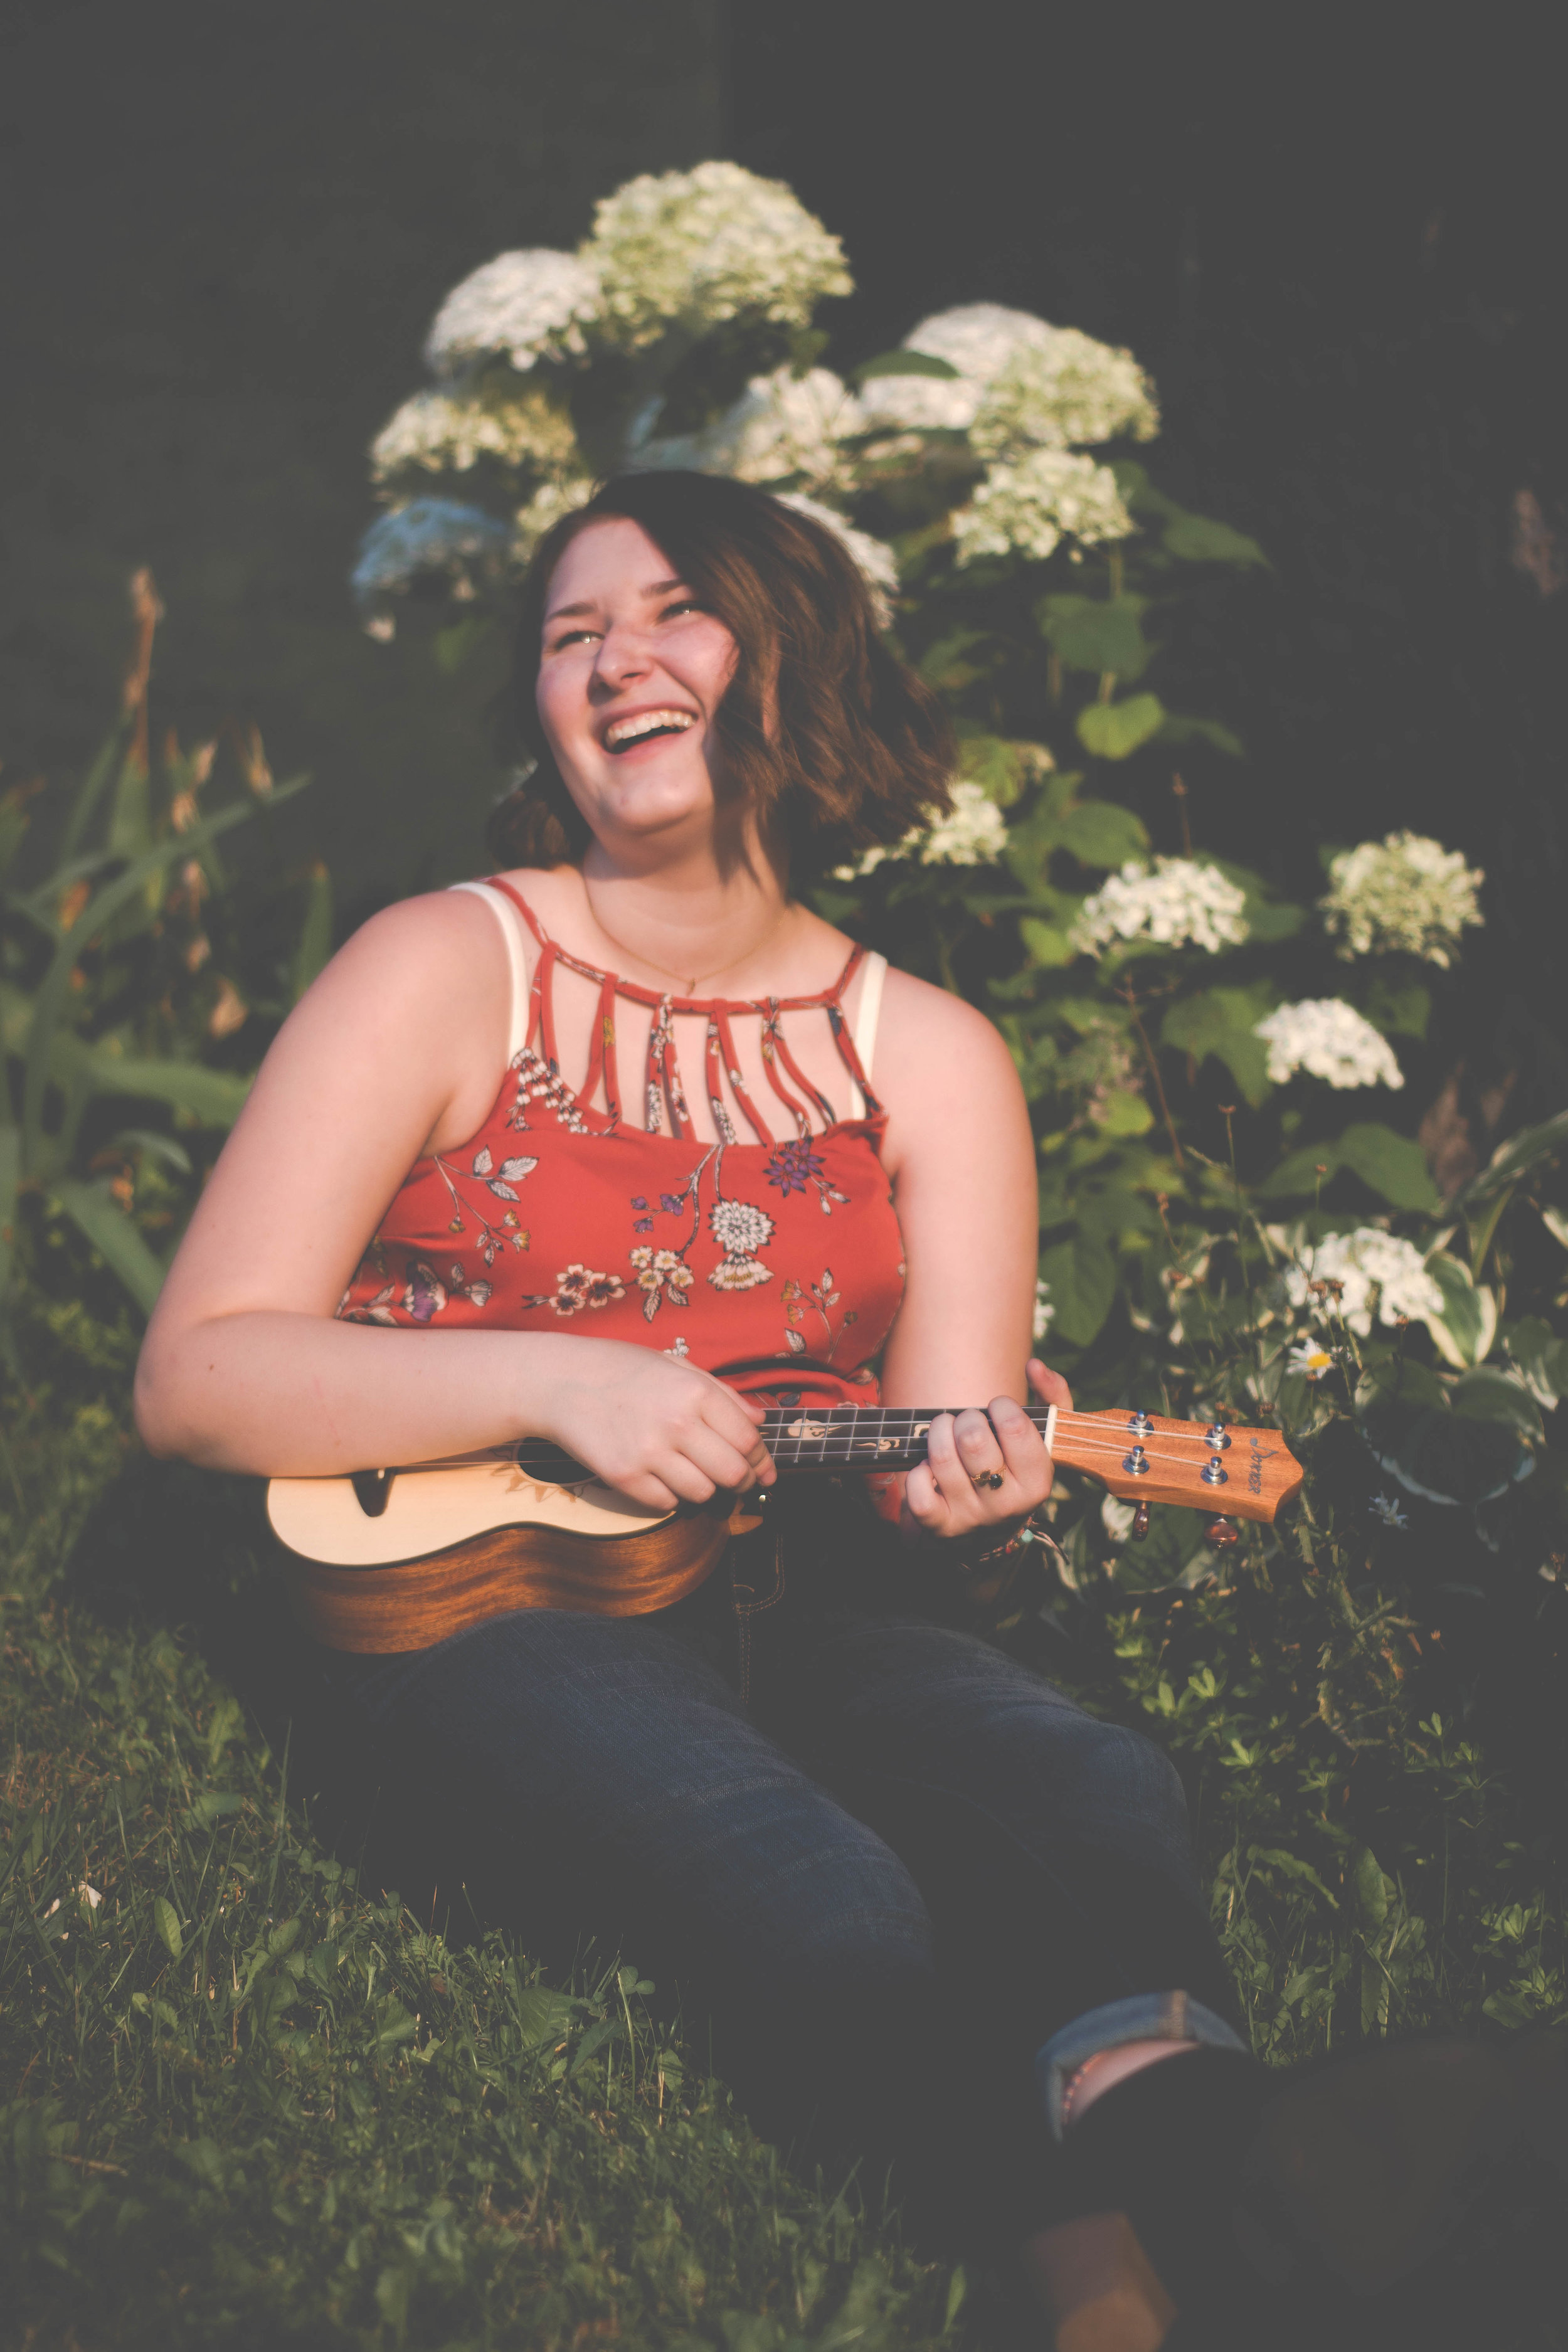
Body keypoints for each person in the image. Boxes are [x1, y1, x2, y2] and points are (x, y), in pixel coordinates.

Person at [135, 472, 1562, 2349]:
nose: (616, 660)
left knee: (1083, 1779)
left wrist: (970, 1504)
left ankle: (1236, 2174)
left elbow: (934, 1449)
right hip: (484, 1590)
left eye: (672, 613)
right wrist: (558, 1372)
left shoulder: (930, 1057)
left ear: (790, 661)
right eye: (571, 635)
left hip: (803, 1582)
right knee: (806, 1878)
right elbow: (200, 1374)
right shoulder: (438, 966)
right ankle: (1087, 2280)